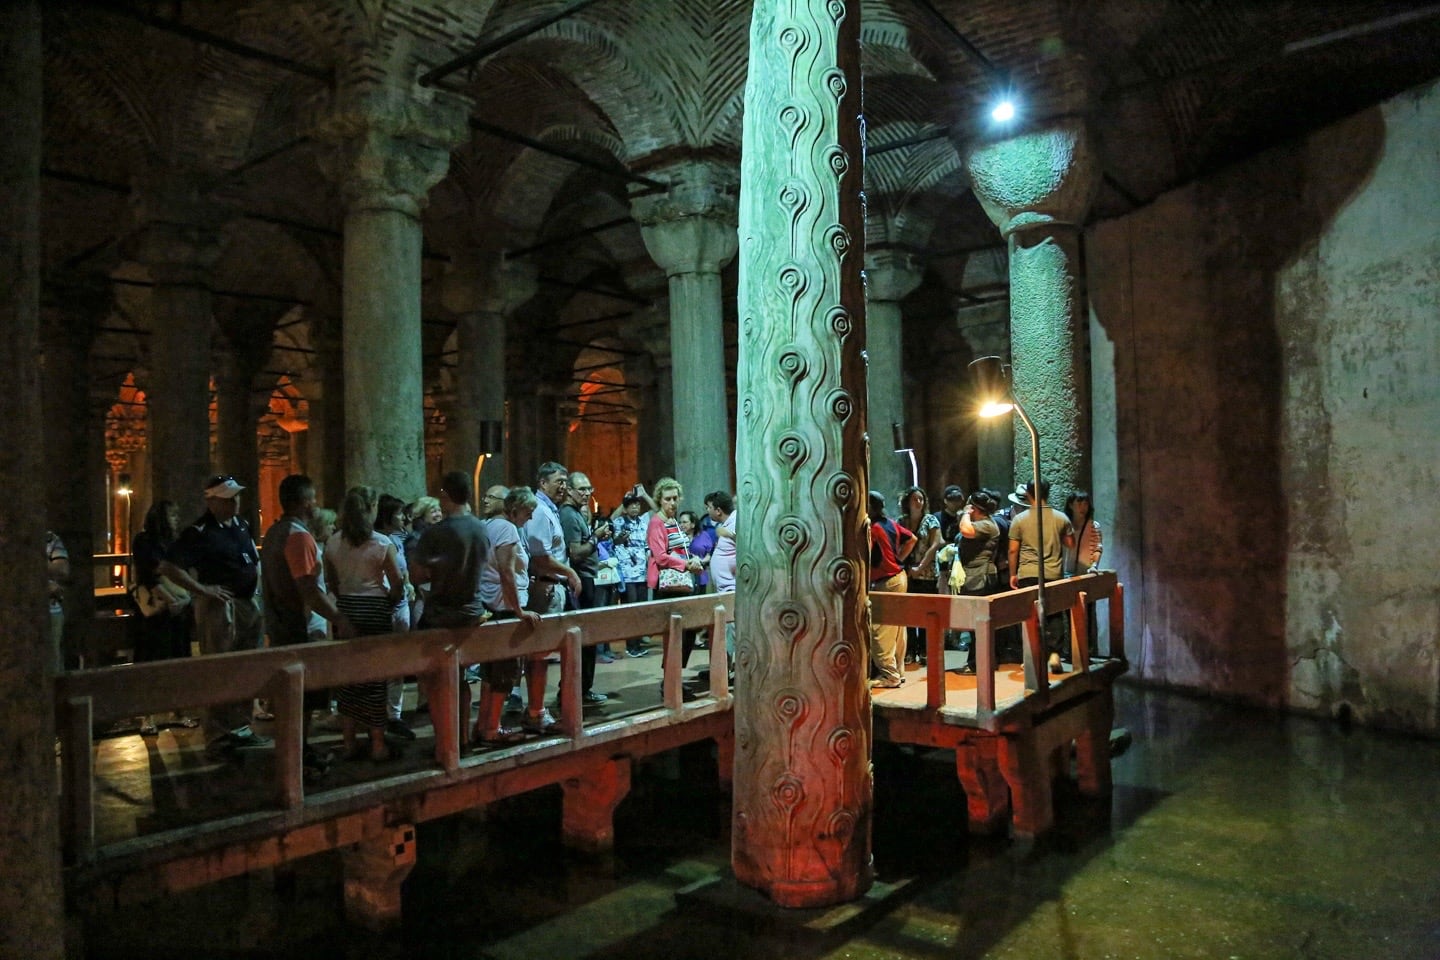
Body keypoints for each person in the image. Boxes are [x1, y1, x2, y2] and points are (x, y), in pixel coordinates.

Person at [159, 474, 269, 755]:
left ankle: (241, 727)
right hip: (222, 607)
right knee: (220, 669)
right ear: (212, 501)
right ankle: (218, 735)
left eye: (236, 497)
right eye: (228, 498)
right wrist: (202, 590)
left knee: (246, 666)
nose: (235, 502)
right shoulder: (199, 532)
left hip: (246, 604)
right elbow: (170, 566)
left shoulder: (241, 525)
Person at [260, 475, 355, 775]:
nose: (316, 504)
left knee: (293, 698)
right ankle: (297, 758)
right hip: (299, 627)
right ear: (303, 502)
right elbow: (308, 590)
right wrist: (338, 618)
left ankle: (296, 751)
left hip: (279, 624)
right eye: (312, 499)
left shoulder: (275, 531)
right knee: (302, 699)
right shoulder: (298, 537)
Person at [410, 471, 491, 751]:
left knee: (435, 682)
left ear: (446, 495)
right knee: (462, 677)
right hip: (472, 613)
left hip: (441, 614)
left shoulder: (436, 533)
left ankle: (444, 740)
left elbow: (418, 576)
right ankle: (463, 736)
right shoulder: (482, 529)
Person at [324, 485, 406, 762]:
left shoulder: (334, 542)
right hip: (374, 609)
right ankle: (378, 743)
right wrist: (390, 603)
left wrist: (343, 601)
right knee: (375, 679)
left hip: (346, 607)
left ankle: (348, 742)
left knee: (349, 679)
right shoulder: (382, 543)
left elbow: (331, 582)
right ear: (371, 510)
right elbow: (397, 584)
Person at [475, 486, 545, 744]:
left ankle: (483, 724)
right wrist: (519, 610)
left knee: (490, 671)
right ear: (515, 510)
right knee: (504, 671)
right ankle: (492, 728)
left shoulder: (488, 525)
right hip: (504, 607)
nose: (529, 518)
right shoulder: (506, 529)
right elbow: (507, 571)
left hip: (492, 603)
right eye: (527, 513)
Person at [525, 462, 587, 712]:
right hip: (546, 588)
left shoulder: (550, 509)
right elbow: (540, 556)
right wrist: (569, 572)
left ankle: (538, 708)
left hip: (553, 586)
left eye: (564, 482)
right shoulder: (539, 511)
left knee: (547, 652)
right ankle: (536, 710)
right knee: (540, 653)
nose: (563, 486)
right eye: (558, 481)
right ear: (542, 483)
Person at [1008, 480, 1076, 674]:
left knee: (1029, 615)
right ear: (1048, 492)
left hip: (1028, 573)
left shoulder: (1019, 519)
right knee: (1054, 614)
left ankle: (1032, 656)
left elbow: (1013, 550)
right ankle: (1054, 653)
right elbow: (1070, 543)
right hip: (1053, 573)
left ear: (1028, 493)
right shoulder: (1061, 518)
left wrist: (1013, 574)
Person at [647, 477, 705, 678]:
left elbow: (681, 550)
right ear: (659, 500)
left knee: (687, 633)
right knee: (674, 636)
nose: (672, 502)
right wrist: (685, 564)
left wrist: (693, 560)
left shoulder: (673, 522)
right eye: (667, 499)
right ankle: (670, 683)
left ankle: (675, 679)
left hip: (683, 581)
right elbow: (661, 557)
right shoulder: (656, 523)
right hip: (667, 585)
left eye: (675, 498)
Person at [560, 471, 607, 705]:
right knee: (583, 638)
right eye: (582, 489)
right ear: (569, 490)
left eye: (590, 489)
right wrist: (596, 538)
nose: (587, 493)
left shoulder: (577, 513)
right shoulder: (568, 515)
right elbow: (575, 552)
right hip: (580, 579)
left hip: (587, 577)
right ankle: (577, 690)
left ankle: (583, 688)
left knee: (589, 638)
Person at [375, 494, 416, 741]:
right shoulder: (379, 542)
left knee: (398, 663)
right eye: (399, 513)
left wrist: (408, 583)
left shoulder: (398, 541)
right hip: (388, 605)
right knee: (384, 661)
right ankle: (381, 714)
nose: (404, 517)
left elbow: (403, 568)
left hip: (401, 605)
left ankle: (394, 713)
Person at [867, 491, 916, 689]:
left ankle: (889, 675)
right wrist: (899, 560)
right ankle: (899, 671)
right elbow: (912, 538)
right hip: (899, 577)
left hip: (886, 580)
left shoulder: (874, 528)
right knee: (897, 628)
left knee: (880, 629)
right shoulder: (890, 523)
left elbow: (866, 551)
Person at [950, 491, 1002, 674]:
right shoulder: (984, 523)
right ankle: (977, 662)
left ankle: (978, 664)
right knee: (975, 625)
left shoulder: (987, 525)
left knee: (980, 624)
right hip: (973, 577)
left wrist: (965, 512)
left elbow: (966, 530)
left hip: (980, 577)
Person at [899, 486, 941, 665]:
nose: (918, 502)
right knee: (908, 613)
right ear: (907, 502)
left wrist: (921, 567)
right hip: (907, 571)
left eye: (921, 499)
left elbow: (934, 545)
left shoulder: (930, 520)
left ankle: (925, 649)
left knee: (926, 613)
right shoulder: (902, 521)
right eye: (915, 499)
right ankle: (910, 650)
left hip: (927, 572)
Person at [609, 491, 652, 657]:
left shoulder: (643, 521)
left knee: (641, 608)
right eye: (631, 504)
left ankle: (637, 642)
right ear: (625, 508)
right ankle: (631, 645)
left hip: (642, 570)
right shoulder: (619, 521)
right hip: (627, 572)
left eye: (637, 504)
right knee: (631, 607)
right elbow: (610, 524)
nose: (635, 507)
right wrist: (623, 502)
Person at [45, 529, 69, 673]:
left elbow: (63, 569)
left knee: (53, 663)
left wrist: (30, 558)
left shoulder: (50, 538)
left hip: (51, 611)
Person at [1063, 490, 1104, 576]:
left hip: (1086, 573)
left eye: (1086, 504)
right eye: (1079, 503)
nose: (1083, 507)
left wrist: (1094, 566)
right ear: (1070, 505)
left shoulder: (1094, 526)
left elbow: (1097, 548)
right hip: (1065, 574)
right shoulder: (1063, 526)